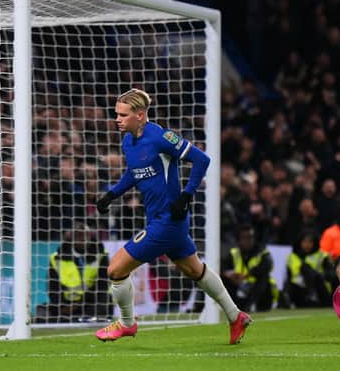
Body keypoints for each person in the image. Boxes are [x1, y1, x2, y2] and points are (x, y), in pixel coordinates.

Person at [93, 88, 251, 344]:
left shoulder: (161, 137)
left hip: (167, 221)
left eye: (122, 115)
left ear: (140, 115)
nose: (117, 119)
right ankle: (236, 316)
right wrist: (112, 194)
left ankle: (127, 323)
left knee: (116, 268)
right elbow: (136, 172)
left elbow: (202, 159)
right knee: (194, 269)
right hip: (161, 220)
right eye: (116, 114)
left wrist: (187, 194)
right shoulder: (127, 140)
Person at [35, 220, 111, 323]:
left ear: (90, 236)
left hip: (92, 301)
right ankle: (64, 319)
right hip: (66, 303)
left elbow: (103, 284)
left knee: (105, 299)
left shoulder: (101, 255)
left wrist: (80, 302)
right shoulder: (56, 258)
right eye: (79, 235)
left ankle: (93, 318)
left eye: (85, 235)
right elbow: (53, 287)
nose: (83, 239)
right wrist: (63, 306)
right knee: (41, 310)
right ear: (71, 238)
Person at [221, 224, 278, 312]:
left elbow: (267, 266)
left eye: (250, 237)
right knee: (221, 278)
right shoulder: (234, 253)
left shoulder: (262, 252)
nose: (248, 241)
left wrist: (246, 275)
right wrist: (229, 275)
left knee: (264, 277)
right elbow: (222, 267)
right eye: (244, 238)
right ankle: (227, 306)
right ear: (239, 240)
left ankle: (253, 305)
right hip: (238, 286)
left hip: (258, 290)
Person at [283, 230, 333, 308]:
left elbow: (331, 275)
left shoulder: (322, 256)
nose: (307, 245)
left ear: (314, 243)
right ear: (300, 242)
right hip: (299, 289)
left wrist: (319, 275)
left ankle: (313, 296)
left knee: (307, 269)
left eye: (310, 242)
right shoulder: (292, 256)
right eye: (304, 242)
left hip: (319, 289)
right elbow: (288, 277)